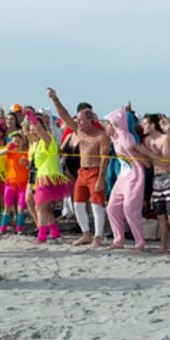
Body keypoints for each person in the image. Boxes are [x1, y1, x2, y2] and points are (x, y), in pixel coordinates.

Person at [47, 88, 109, 249]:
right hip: (82, 171)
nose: (78, 123)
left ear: (90, 120)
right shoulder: (79, 131)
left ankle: (98, 236)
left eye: (81, 120)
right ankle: (86, 234)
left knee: (96, 205)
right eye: (78, 120)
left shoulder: (101, 136)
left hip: (95, 171)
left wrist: (101, 179)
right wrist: (55, 99)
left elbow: (105, 159)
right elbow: (65, 116)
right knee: (78, 204)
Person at [135, 114, 170, 257]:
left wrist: (146, 152)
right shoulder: (148, 140)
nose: (143, 126)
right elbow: (149, 164)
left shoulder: (164, 139)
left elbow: (166, 161)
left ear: (153, 125)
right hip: (156, 178)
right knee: (160, 215)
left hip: (168, 177)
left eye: (145, 124)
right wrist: (139, 155)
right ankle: (163, 246)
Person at [24, 110, 71, 243]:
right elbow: (35, 164)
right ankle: (54, 232)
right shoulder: (34, 144)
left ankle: (42, 236)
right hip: (37, 178)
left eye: (35, 129)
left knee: (40, 207)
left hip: (48, 178)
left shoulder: (48, 139)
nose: (33, 132)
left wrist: (32, 117)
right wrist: (26, 163)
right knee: (44, 208)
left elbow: (41, 131)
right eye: (31, 130)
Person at [104, 107, 147, 251]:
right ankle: (118, 240)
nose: (105, 126)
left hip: (134, 177)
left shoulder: (125, 136)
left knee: (130, 210)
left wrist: (119, 125)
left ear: (115, 124)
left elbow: (131, 145)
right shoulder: (115, 138)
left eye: (108, 123)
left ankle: (139, 242)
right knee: (111, 208)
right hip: (122, 177)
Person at [0, 130, 30, 235]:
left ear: (22, 142)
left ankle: (19, 228)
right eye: (14, 141)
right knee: (7, 207)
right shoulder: (10, 152)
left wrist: (26, 163)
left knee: (20, 208)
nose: (16, 143)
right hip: (10, 183)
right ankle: (3, 228)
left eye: (18, 141)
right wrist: (9, 147)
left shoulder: (26, 152)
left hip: (23, 184)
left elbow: (30, 167)